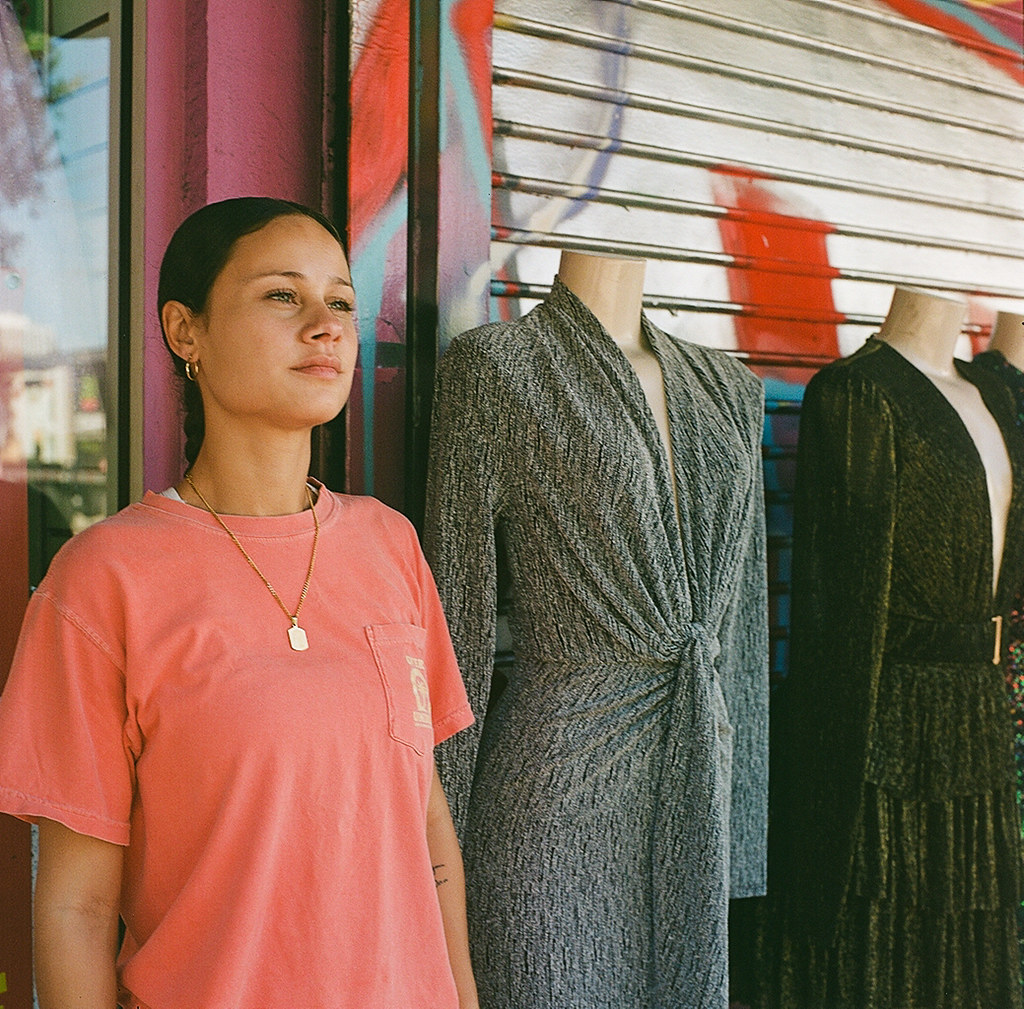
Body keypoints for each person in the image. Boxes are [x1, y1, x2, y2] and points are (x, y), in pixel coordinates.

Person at [0, 197, 479, 1009]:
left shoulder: (389, 545)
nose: (325, 325)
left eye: (341, 301)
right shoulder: (102, 579)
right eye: (282, 295)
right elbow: (77, 906)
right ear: (186, 332)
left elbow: (423, 822)